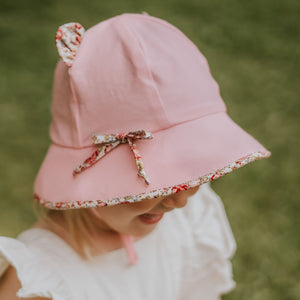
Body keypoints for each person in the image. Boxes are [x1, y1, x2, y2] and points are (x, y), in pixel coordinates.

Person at [0, 12, 271, 300]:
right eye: (153, 180)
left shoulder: (184, 222)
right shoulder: (42, 281)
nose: (180, 200)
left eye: (188, 171)